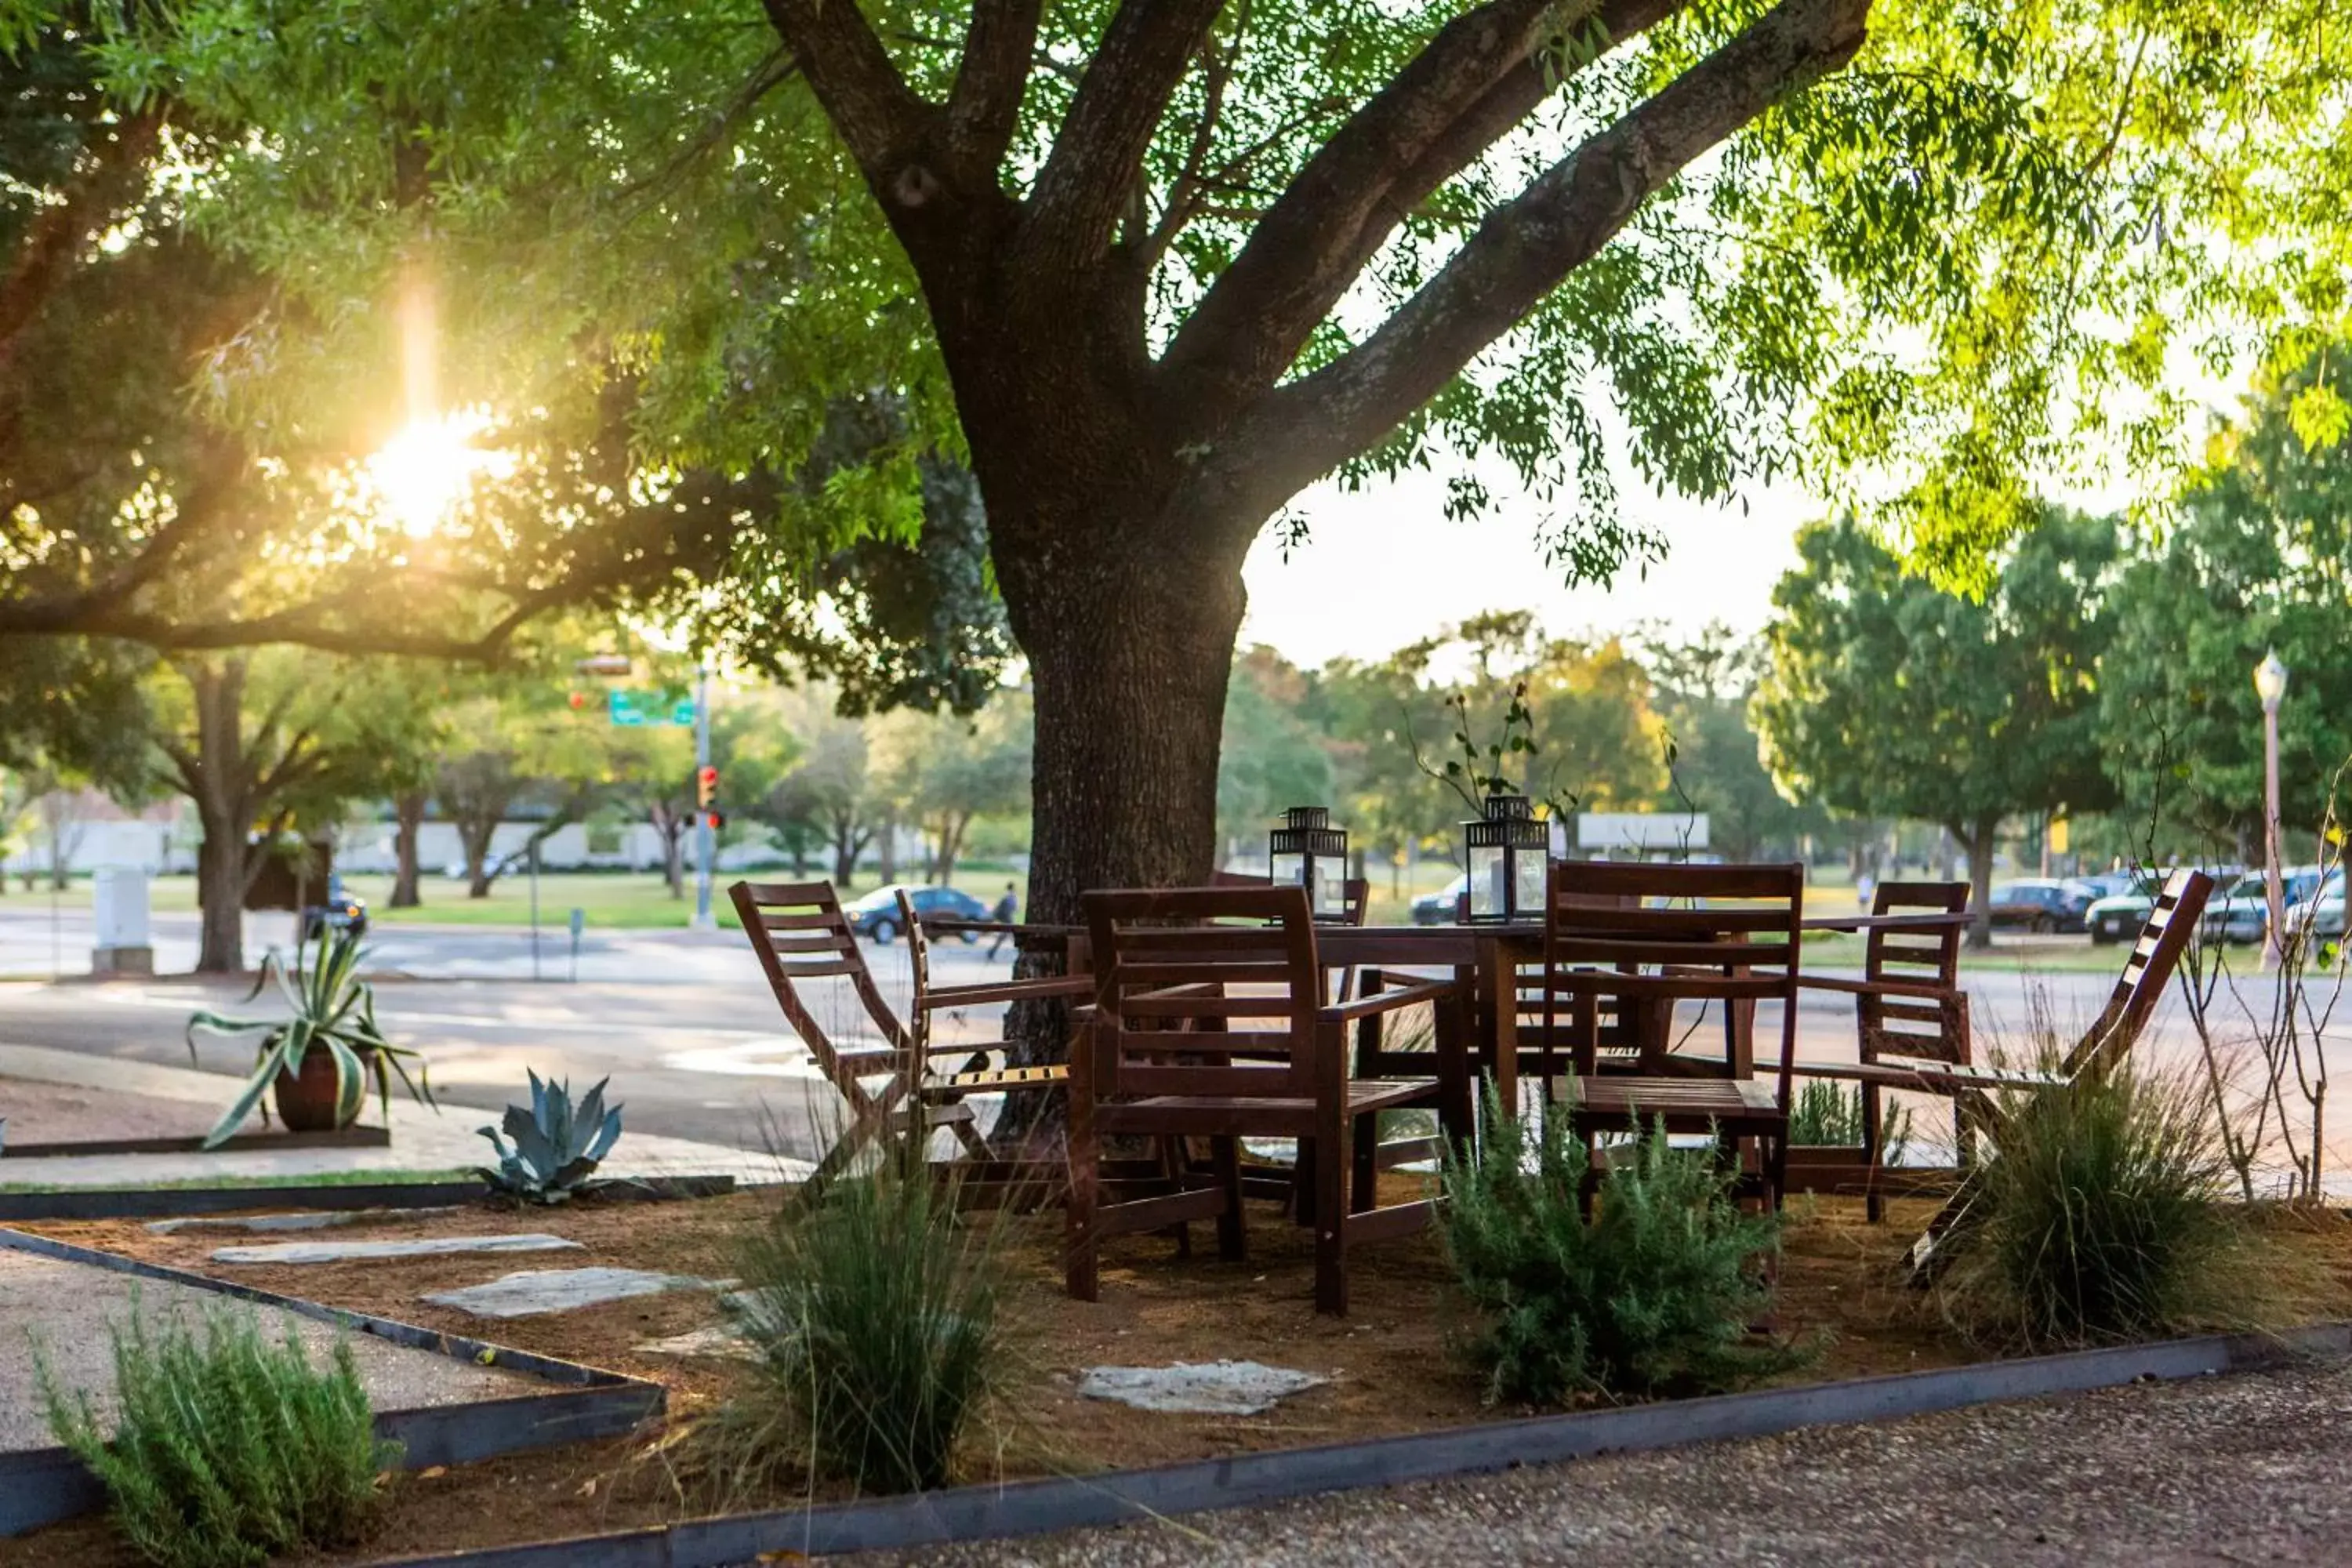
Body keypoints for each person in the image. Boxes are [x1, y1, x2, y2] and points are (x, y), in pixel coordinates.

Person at [986, 882, 1020, 958]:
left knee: (1005, 935)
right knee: (1011, 935)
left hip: (1004, 918)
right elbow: (1014, 909)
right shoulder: (1012, 897)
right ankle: (992, 952)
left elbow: (1000, 907)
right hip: (1008, 919)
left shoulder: (1006, 896)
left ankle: (992, 951)